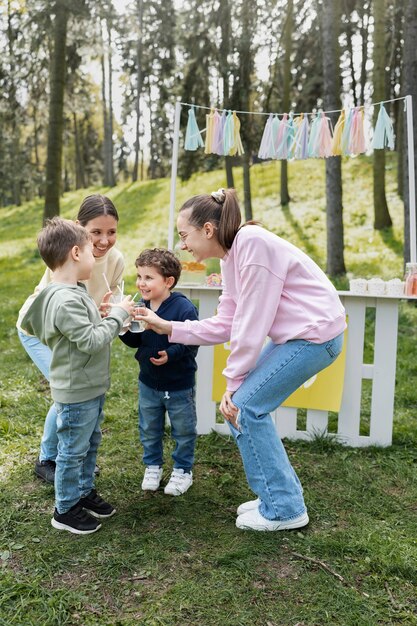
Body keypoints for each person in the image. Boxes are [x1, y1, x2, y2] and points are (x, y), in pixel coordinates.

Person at [134, 188, 346, 531]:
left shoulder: (252, 244)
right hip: (301, 336)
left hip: (315, 337)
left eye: (184, 235)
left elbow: (251, 324)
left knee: (245, 408)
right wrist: (169, 326)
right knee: (245, 408)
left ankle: (285, 509)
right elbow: (227, 321)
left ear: (207, 229)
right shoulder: (231, 255)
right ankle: (275, 497)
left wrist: (234, 383)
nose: (183, 245)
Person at [21, 217, 134, 534]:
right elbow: (90, 341)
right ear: (75, 253)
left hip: (90, 386)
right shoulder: (65, 298)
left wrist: (100, 314)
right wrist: (119, 317)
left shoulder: (75, 291)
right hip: (77, 391)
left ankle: (83, 492)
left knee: (89, 443)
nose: (95, 256)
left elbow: (84, 326)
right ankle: (66, 508)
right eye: (89, 250)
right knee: (72, 450)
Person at [16, 194, 124, 484]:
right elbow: (51, 310)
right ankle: (49, 458)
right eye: (96, 233)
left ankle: (75, 455)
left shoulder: (115, 260)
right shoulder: (67, 259)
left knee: (75, 392)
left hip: (79, 330)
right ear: (78, 231)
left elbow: (109, 297)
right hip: (42, 331)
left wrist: (108, 312)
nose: (104, 241)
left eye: (111, 232)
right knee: (67, 391)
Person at [119, 248, 199, 496]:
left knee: (183, 430)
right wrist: (124, 330)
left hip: (178, 385)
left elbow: (191, 342)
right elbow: (137, 342)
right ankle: (153, 466)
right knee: (149, 428)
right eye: (139, 276)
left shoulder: (183, 308)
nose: (141, 283)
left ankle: (183, 470)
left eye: (148, 277)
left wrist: (170, 355)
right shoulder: (141, 306)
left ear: (168, 281)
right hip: (148, 384)